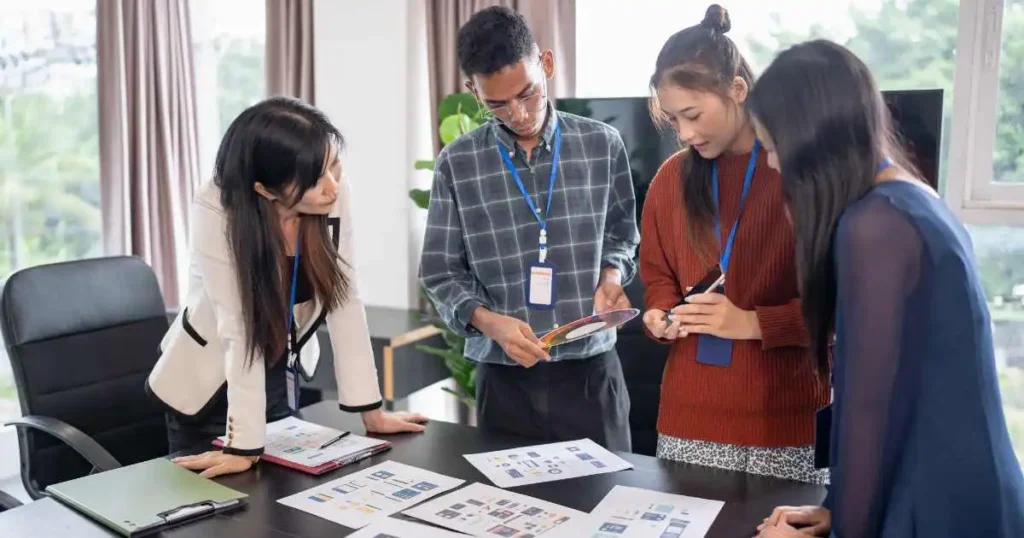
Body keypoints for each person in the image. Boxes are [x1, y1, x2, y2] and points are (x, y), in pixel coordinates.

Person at [750, 40, 1024, 538]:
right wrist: (836, 510)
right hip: (961, 486)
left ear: (810, 141)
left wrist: (845, 529)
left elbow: (869, 412)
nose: (771, 164)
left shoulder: (875, 226)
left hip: (939, 504)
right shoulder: (911, 198)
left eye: (772, 147)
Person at [146, 96, 428, 478]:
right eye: (314, 179)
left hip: (280, 373)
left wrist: (371, 411)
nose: (332, 186)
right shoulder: (216, 207)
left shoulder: (331, 192)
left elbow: (345, 298)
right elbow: (238, 326)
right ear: (265, 189)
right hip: (210, 385)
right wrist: (242, 446)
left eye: (333, 166)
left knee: (285, 495)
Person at [419, 6, 640, 451]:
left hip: (591, 374)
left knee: (610, 492)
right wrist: (488, 322)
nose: (518, 114)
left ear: (547, 64)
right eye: (496, 104)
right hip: (505, 381)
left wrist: (612, 277)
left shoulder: (602, 145)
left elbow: (621, 237)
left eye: (528, 94)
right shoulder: (457, 164)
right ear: (473, 92)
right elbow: (440, 272)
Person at [639, 4, 830, 484]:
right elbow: (658, 275)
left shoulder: (800, 173)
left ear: (738, 90)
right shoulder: (669, 179)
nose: (685, 133)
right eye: (674, 120)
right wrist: (658, 313)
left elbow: (842, 311)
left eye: (693, 115)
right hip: (688, 419)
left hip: (786, 424)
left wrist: (752, 323)